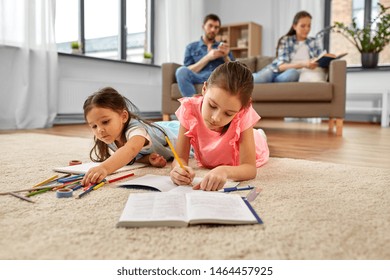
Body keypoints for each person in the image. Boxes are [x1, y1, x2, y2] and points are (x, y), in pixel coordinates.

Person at [170, 61, 269, 191]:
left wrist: (224, 171)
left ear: (242, 109)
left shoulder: (243, 113)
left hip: (252, 146)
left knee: (257, 139)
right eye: (212, 105)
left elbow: (250, 168)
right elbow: (180, 157)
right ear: (204, 89)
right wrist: (178, 169)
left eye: (228, 113)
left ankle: (258, 135)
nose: (216, 118)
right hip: (213, 153)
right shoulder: (189, 109)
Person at [81, 87, 177, 186]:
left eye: (105, 122)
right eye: (94, 126)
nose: (99, 130)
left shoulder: (137, 131)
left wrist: (104, 168)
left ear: (124, 117)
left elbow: (131, 150)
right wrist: (147, 159)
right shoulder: (110, 136)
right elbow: (131, 157)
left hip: (176, 133)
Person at [252, 11, 323, 83]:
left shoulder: (314, 42)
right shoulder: (286, 40)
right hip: (275, 70)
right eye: (303, 26)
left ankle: (272, 83)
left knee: (292, 73)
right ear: (294, 26)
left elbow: (319, 59)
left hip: (292, 74)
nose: (307, 29)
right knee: (257, 80)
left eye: (309, 26)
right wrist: (304, 64)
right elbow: (281, 66)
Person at [175, 13, 235, 97]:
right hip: (199, 77)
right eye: (210, 26)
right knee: (181, 71)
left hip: (218, 78)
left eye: (216, 27)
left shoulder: (223, 48)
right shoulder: (191, 47)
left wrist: (225, 56)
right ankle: (193, 105)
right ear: (203, 26)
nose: (213, 29)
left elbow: (234, 71)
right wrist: (208, 57)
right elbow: (188, 69)